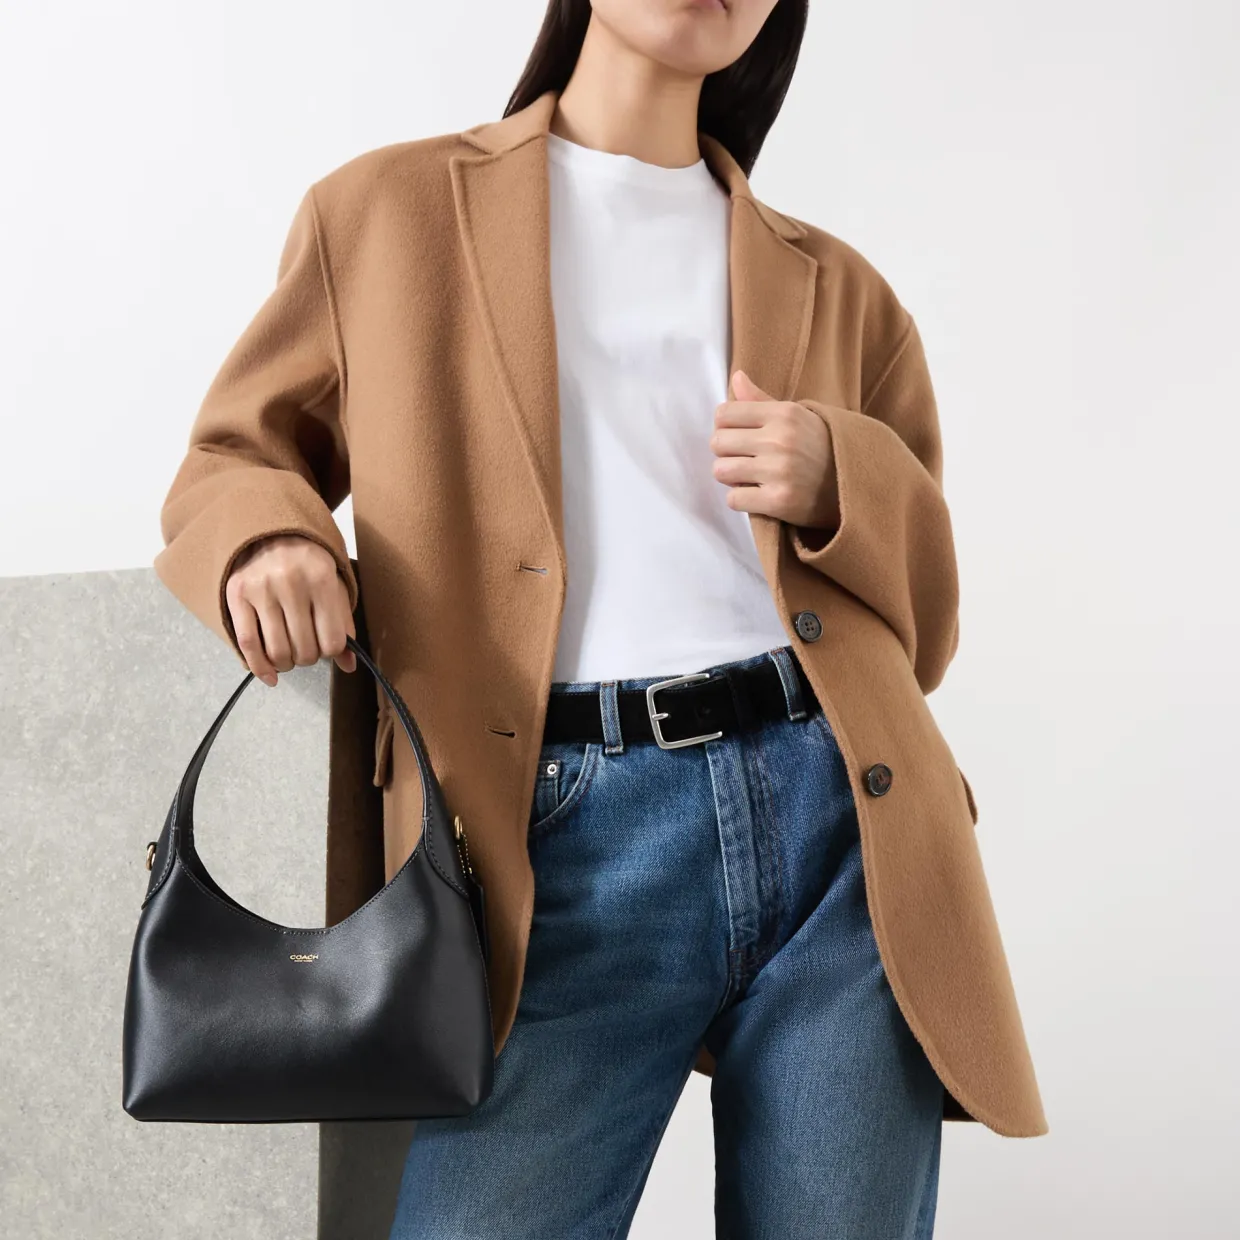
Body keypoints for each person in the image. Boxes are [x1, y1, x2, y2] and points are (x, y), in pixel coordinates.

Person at [154, 0, 1048, 1235]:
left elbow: (926, 626)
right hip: (545, 832)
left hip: (842, 826)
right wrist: (270, 537)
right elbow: (235, 454)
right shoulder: (387, 214)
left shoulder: (840, 289)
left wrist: (840, 474)